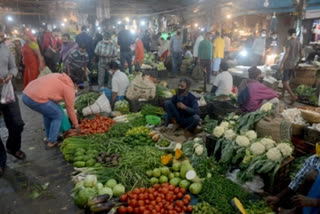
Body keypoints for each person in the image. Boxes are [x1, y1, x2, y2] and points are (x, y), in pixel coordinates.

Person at [22, 73, 80, 149]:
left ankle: (49, 137)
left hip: (26, 94)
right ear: (75, 84)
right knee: (57, 115)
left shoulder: (58, 75)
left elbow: (51, 89)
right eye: (78, 87)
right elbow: (70, 109)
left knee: (48, 113)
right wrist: (76, 125)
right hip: (35, 97)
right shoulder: (69, 88)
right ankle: (52, 141)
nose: (77, 90)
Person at [0, 25, 25, 176]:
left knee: (17, 123)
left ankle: (12, 147)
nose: (2, 35)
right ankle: (1, 160)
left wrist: (11, 75)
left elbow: (14, 67)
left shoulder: (5, 48)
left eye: (1, 32)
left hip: (7, 90)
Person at [279, 29, 303, 104]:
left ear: (289, 34)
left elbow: (286, 53)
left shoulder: (289, 42)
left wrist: (281, 63)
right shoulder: (299, 42)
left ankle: (293, 96)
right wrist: (297, 63)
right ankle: (282, 95)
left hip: (287, 63)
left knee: (284, 81)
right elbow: (302, 55)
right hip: (293, 64)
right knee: (287, 80)